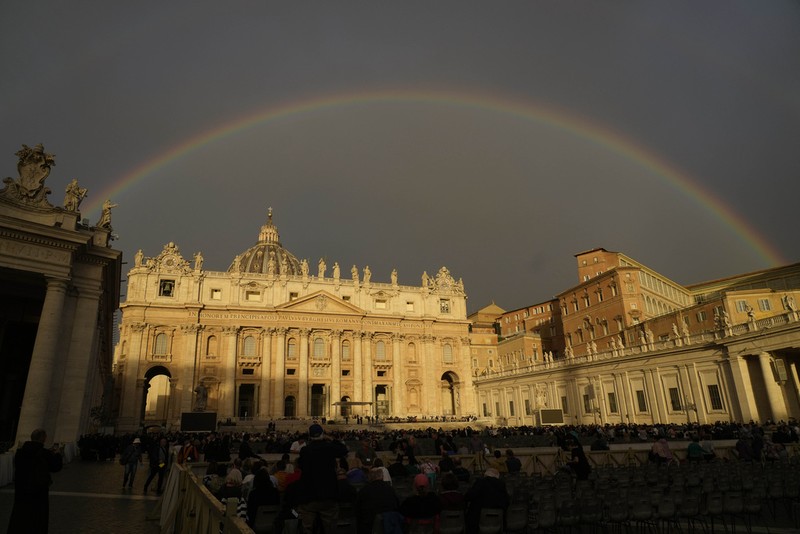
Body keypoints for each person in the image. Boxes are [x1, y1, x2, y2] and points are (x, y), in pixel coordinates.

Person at [296, 423, 349, 534]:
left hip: (310, 495)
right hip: (328, 494)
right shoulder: (329, 447)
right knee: (330, 528)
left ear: (309, 435)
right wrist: (330, 439)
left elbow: (300, 466)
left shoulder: (305, 450)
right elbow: (344, 450)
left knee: (307, 527)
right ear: (322, 434)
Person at [6, 428, 63, 534]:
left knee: (20, 514)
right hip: (38, 491)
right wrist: (58, 454)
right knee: (37, 516)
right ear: (42, 438)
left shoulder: (20, 452)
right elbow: (56, 467)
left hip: (22, 489)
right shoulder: (44, 453)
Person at [355, 468, 401, 534]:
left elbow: (358, 511)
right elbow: (396, 506)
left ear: (369, 477)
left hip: (369, 526)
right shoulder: (390, 489)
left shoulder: (363, 491)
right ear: (382, 477)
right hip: (389, 526)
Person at [464, 468, 509, 534]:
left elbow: (469, 496)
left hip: (477, 521)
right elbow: (507, 501)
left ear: (485, 475)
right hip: (497, 522)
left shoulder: (480, 482)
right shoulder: (502, 484)